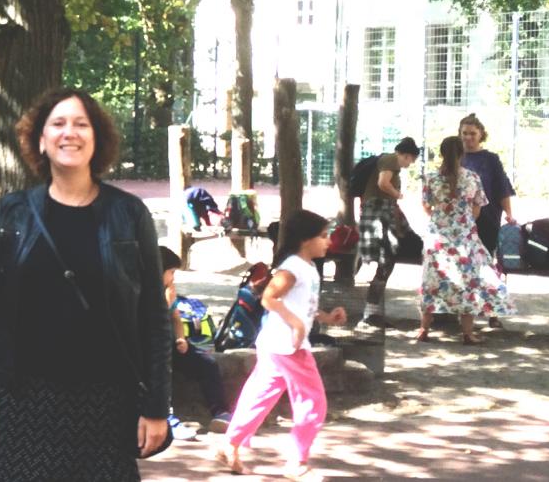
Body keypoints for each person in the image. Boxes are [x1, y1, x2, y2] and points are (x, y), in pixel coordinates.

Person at [0, 88, 172, 480]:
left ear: (97, 139)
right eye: (58, 124)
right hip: (24, 398)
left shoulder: (128, 214)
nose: (69, 133)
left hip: (106, 401)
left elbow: (153, 317)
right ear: (40, 140)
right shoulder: (12, 212)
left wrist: (157, 406)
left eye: (81, 124)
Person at [215, 209, 347, 481]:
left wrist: (325, 317)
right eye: (323, 236)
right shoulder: (292, 268)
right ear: (305, 239)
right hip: (289, 347)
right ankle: (297, 463)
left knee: (259, 396)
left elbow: (299, 304)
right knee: (313, 403)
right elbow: (269, 298)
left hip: (277, 345)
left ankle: (229, 444)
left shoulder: (307, 267)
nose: (328, 241)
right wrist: (297, 325)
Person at [418, 136, 516, 345]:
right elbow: (478, 209)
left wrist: (441, 219)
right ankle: (467, 333)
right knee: (468, 284)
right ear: (461, 154)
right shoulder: (472, 178)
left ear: (442, 153)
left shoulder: (430, 178)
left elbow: (426, 206)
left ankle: (424, 329)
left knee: (431, 282)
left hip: (437, 238)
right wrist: (463, 220)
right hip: (465, 238)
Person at [159, 246, 232, 438]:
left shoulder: (169, 291)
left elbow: (175, 318)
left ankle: (220, 412)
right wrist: (165, 303)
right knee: (160, 372)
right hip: (150, 349)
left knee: (207, 364)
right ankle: (165, 418)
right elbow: (150, 323)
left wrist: (181, 338)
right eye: (171, 272)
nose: (173, 278)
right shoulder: (141, 291)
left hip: (170, 343)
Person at [458, 113, 515, 329]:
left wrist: (509, 213)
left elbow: (502, 188)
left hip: (488, 218)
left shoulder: (490, 159)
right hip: (461, 221)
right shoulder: (456, 157)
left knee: (488, 266)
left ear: (481, 135)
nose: (468, 138)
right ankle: (462, 312)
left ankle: (493, 311)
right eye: (464, 133)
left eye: (472, 133)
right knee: (462, 266)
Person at [357, 137, 420, 327]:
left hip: (382, 213)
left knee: (387, 261)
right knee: (386, 260)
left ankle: (373, 311)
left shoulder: (388, 162)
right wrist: (398, 194)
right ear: (407, 155)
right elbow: (383, 183)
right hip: (380, 213)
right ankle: (371, 311)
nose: (410, 164)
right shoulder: (390, 160)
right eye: (411, 160)